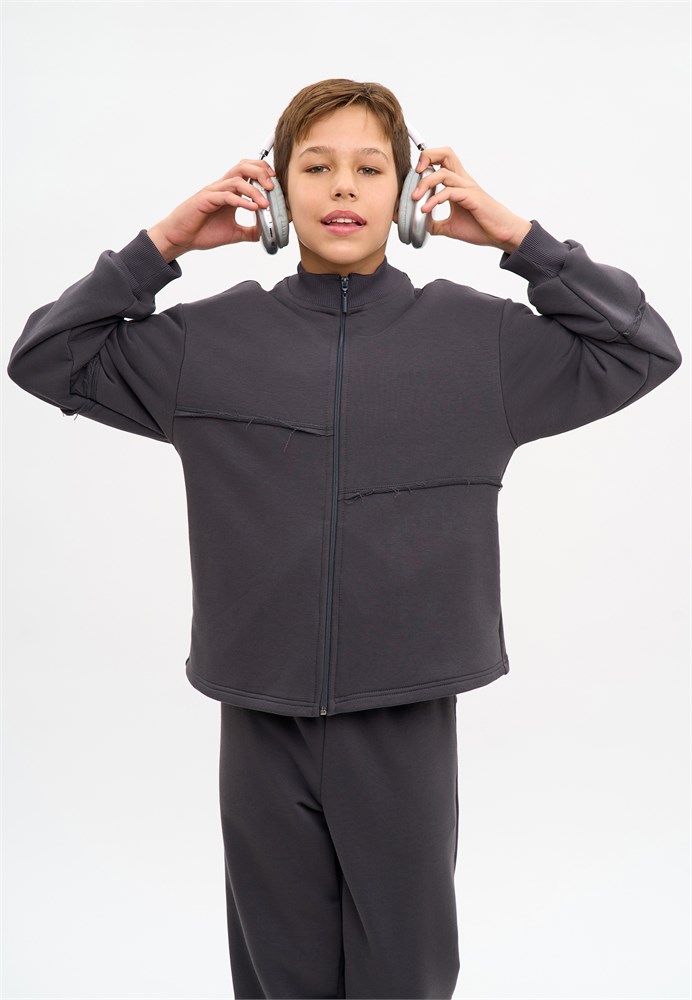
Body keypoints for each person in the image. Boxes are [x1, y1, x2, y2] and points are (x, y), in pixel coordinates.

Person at [6, 78, 683, 1000]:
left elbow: (642, 349)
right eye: (315, 167)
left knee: (405, 975)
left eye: (371, 169)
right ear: (276, 193)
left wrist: (519, 241)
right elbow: (46, 358)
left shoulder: (480, 340)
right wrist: (163, 245)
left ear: (406, 195)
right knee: (278, 977)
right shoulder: (208, 341)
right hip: (259, 715)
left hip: (404, 718)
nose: (342, 188)